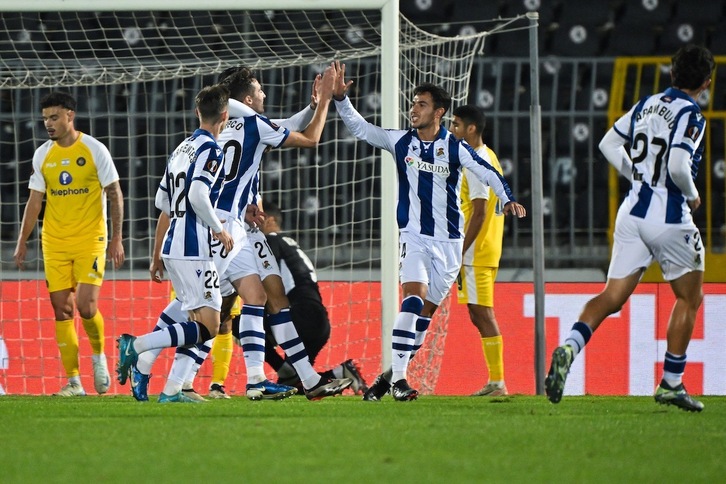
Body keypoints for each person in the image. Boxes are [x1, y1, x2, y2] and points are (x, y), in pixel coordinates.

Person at [131, 64, 351, 402]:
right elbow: (309, 137)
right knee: (199, 308)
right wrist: (323, 103)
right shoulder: (253, 125)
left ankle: (270, 380)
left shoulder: (214, 131)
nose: (265, 95)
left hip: (235, 224)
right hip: (219, 228)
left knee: (256, 296)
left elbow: (282, 126)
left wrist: (311, 106)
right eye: (260, 91)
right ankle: (148, 356)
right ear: (247, 98)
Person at [332, 62, 526, 401]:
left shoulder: (454, 146)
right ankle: (400, 382)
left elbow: (488, 171)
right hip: (414, 238)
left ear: (439, 112)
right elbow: (362, 129)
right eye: (412, 103)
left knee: (423, 321)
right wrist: (340, 100)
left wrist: (508, 198)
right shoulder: (400, 141)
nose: (413, 109)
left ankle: (387, 377)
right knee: (412, 297)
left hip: (450, 245)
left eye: (421, 104)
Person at [545, 44, 714, 412]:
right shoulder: (692, 115)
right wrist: (692, 195)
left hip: (631, 211)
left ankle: (569, 347)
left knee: (612, 296)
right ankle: (671, 382)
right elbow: (680, 166)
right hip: (668, 215)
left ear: (671, 74)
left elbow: (608, 143)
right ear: (705, 83)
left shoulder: (647, 104)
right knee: (689, 296)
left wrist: (635, 175)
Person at [115, 84, 234, 403]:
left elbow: (161, 202)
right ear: (225, 115)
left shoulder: (182, 148)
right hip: (194, 246)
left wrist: (156, 256)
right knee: (209, 325)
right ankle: (137, 346)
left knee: (188, 310)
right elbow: (197, 194)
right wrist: (218, 229)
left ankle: (169, 390)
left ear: (198, 112)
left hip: (173, 244)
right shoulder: (212, 149)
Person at [14, 91, 125, 397]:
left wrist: (117, 238)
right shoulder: (42, 154)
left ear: (69, 116)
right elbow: (35, 201)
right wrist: (22, 241)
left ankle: (99, 357)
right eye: (45, 118)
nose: (48, 124)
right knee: (61, 310)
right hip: (54, 241)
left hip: (90, 238)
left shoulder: (93, 149)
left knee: (86, 306)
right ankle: (74, 382)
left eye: (54, 117)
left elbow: (115, 193)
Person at [259, 201, 368, 394]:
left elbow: (266, 277)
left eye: (257, 218)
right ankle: (339, 372)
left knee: (241, 322)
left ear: (270, 220)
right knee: (298, 386)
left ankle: (283, 374)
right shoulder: (289, 243)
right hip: (317, 320)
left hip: (300, 316)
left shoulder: (271, 241)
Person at [449, 105, 507, 397]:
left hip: (476, 251)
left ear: (472, 129)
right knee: (477, 312)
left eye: (457, 125)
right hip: (485, 249)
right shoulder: (489, 156)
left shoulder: (475, 161)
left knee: (482, 312)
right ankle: (495, 381)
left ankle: (498, 383)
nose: (452, 129)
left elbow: (480, 212)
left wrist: (460, 251)